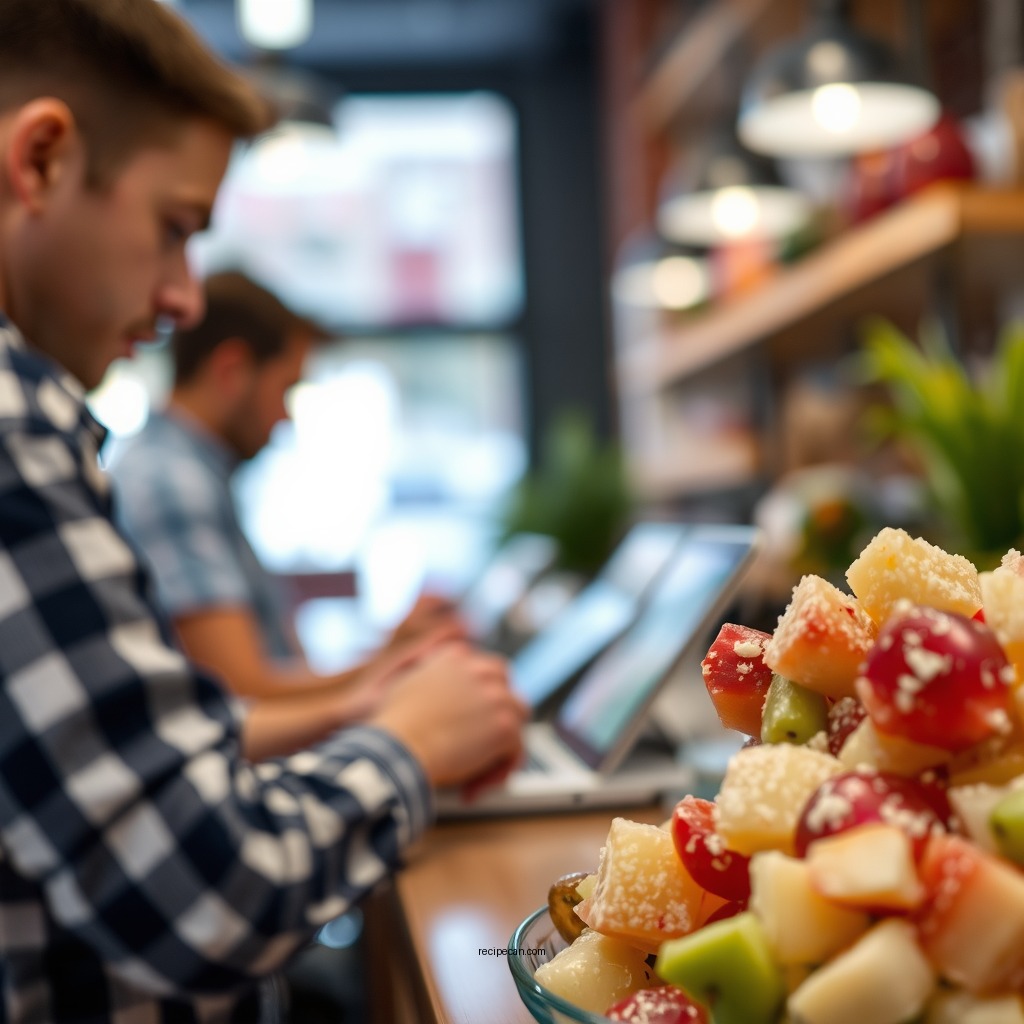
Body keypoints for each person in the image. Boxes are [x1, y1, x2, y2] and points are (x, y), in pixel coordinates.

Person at [0, 2, 527, 1022]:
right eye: (176, 228)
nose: (184, 297)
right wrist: (410, 743)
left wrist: (366, 704)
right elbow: (211, 893)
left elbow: (131, 749)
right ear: (43, 161)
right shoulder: (15, 430)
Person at [109, 270, 466, 760]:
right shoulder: (174, 484)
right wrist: (392, 661)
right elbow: (242, 692)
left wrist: (391, 651)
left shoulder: (188, 472)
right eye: (285, 388)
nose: (286, 418)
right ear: (231, 369)